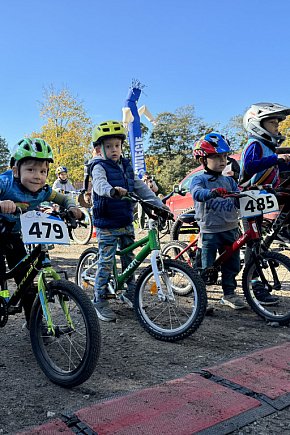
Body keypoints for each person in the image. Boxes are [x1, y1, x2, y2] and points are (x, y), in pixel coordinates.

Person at [0, 138, 82, 326]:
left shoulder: (44, 191)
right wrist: (2, 203)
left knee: (26, 279)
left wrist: (73, 208)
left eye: (43, 171)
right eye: (30, 170)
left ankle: (35, 323)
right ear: (15, 171)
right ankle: (2, 295)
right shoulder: (5, 182)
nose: (38, 175)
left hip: (13, 235)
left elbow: (62, 198)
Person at [90, 120, 165, 322]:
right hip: (106, 222)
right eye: (108, 146)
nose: (114, 150)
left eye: (117, 145)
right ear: (99, 149)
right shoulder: (98, 166)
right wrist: (111, 191)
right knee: (106, 262)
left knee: (130, 260)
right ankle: (99, 299)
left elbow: (140, 187)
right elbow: (99, 184)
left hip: (125, 220)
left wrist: (160, 205)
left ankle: (129, 292)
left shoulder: (125, 165)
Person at [239, 102, 290, 304]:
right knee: (253, 242)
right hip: (248, 197)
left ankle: (255, 270)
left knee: (257, 241)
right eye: (272, 122)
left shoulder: (270, 147)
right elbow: (250, 166)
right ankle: (254, 282)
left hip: (262, 198)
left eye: (277, 122)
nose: (277, 126)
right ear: (257, 124)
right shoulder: (255, 144)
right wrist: (276, 160)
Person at [190, 132, 247, 310]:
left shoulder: (229, 180)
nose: (222, 160)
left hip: (230, 228)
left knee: (232, 264)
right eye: (216, 157)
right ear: (203, 159)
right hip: (209, 230)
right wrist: (211, 193)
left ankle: (229, 293)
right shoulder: (199, 179)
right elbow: (196, 192)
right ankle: (200, 298)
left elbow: (238, 195)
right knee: (205, 267)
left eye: (224, 156)